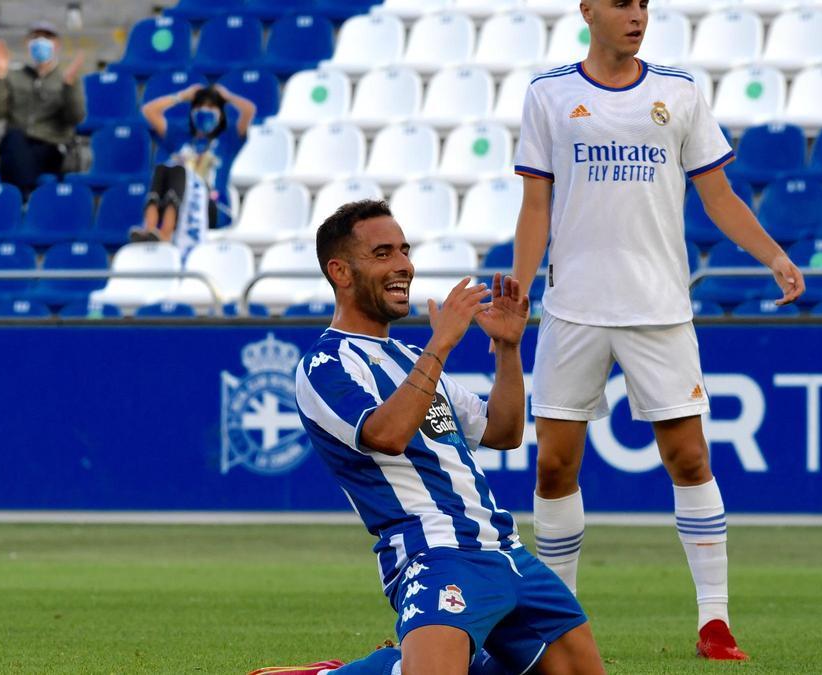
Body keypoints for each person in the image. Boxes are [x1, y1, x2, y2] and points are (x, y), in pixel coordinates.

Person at [510, 0, 806, 662]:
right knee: (555, 465)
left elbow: (718, 193)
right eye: (620, 3)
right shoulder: (549, 94)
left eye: (643, 3)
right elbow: (535, 204)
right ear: (587, 10)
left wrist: (774, 256)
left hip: (659, 307)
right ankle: (560, 622)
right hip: (574, 308)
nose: (636, 14)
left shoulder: (679, 91)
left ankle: (715, 620)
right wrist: (521, 289)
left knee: (689, 457)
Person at [252, 200, 606, 675]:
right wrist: (441, 344)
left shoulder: (408, 356)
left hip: (508, 552)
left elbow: (503, 432)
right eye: (382, 253)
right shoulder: (326, 364)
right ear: (341, 272)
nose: (403, 265)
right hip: (434, 554)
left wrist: (507, 348)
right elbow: (387, 435)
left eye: (404, 250)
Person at [128, 83, 255, 250]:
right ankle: (149, 229)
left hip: (212, 207)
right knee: (162, 169)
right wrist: (181, 96)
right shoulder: (179, 136)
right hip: (181, 206)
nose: (204, 111)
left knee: (180, 171)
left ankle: (165, 233)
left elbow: (249, 110)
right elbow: (149, 111)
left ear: (220, 113)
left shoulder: (228, 139)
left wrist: (228, 97)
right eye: (199, 106)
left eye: (211, 107)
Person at [0, 21, 86, 199]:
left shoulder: (65, 78)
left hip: (52, 146)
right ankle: (25, 196)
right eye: (36, 37)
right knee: (14, 140)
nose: (41, 41)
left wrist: (69, 86)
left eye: (47, 37)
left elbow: (76, 117)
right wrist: (0, 76)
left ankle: (22, 199)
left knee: (17, 150)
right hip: (17, 147)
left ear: (57, 44)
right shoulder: (15, 76)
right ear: (27, 43)